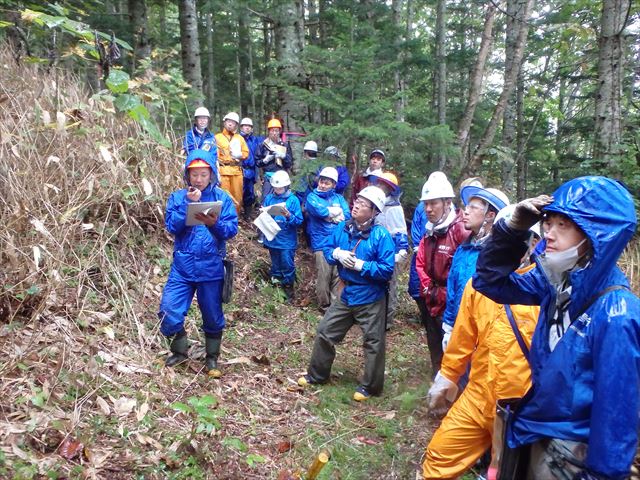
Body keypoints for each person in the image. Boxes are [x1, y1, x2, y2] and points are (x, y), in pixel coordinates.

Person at [472, 176, 640, 480]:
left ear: (596, 234)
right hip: (534, 430)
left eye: (564, 225)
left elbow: (616, 413)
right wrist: (512, 228)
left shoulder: (617, 313)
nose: (548, 233)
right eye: (548, 222)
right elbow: (489, 281)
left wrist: (601, 476)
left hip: (572, 455)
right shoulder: (557, 282)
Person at [422, 205, 540, 480]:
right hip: (478, 394)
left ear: (530, 243)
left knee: (505, 472)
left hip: (519, 407)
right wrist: (448, 377)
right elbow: (463, 338)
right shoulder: (477, 285)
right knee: (439, 456)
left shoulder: (543, 290)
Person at [298, 186, 395, 401]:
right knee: (325, 331)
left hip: (370, 296)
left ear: (374, 211)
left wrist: (362, 265)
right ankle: (317, 375)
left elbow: (387, 269)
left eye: (363, 203)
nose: (357, 204)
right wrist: (337, 253)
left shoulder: (381, 235)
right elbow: (327, 249)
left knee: (373, 342)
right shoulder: (342, 228)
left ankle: (371, 386)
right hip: (345, 292)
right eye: (357, 200)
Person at [158, 149, 238, 378]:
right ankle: (179, 351)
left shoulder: (221, 198)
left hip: (211, 268)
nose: (199, 179)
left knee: (212, 316)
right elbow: (172, 227)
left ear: (211, 174)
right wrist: (187, 205)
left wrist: (213, 223)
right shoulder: (177, 197)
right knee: (168, 310)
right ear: (187, 175)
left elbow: (231, 230)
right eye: (194, 175)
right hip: (182, 267)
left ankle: (212, 357)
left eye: (203, 174)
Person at [415, 172, 471, 373]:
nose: (428, 209)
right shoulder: (430, 229)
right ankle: (437, 383)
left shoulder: (461, 230)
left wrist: (451, 298)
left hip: (452, 302)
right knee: (435, 343)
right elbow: (421, 261)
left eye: (434, 204)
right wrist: (427, 288)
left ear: (447, 203)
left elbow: (468, 271)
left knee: (455, 350)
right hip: (432, 298)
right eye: (426, 204)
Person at [441, 186, 509, 351]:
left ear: (490, 215)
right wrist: (449, 326)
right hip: (460, 331)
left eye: (473, 207)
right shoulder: (464, 248)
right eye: (466, 207)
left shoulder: (501, 255)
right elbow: (453, 288)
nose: (465, 211)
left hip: (486, 339)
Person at [305, 167, 351, 310]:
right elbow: (319, 210)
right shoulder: (312, 197)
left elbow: (347, 216)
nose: (323, 185)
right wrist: (332, 214)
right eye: (322, 182)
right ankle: (324, 305)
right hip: (321, 242)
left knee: (338, 275)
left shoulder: (339, 198)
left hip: (338, 242)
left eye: (327, 183)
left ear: (334, 185)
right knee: (324, 275)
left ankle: (335, 306)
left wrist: (329, 216)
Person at [369, 172, 408, 328]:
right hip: (374, 249)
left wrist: (401, 250)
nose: (381, 187)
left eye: (385, 185)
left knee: (390, 286)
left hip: (390, 251)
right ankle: (371, 316)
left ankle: (387, 320)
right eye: (379, 183)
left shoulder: (395, 208)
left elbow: (401, 231)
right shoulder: (374, 204)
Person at [262, 170, 303, 302]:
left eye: (280, 187)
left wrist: (288, 216)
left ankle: (288, 288)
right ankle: (276, 287)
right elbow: (265, 216)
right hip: (273, 237)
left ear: (286, 186)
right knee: (275, 263)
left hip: (287, 240)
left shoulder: (293, 200)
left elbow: (299, 221)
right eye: (275, 187)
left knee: (287, 263)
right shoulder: (269, 198)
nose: (277, 189)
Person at [214, 112, 249, 214]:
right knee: (224, 196)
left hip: (236, 171)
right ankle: (223, 219)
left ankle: (235, 219)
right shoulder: (217, 137)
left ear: (236, 125)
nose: (230, 124)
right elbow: (214, 154)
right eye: (228, 121)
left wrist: (240, 155)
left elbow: (246, 152)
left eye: (233, 122)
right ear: (224, 122)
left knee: (237, 196)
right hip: (223, 171)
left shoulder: (239, 138)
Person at [255, 118, 293, 199]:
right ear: (269, 131)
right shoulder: (263, 146)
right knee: (266, 198)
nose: (274, 133)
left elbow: (289, 163)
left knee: (283, 199)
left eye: (276, 131)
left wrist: (284, 156)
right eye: (272, 131)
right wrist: (265, 160)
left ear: (279, 131)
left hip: (282, 177)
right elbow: (257, 162)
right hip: (268, 177)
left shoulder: (285, 145)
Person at [239, 117, 264, 220]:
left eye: (249, 126)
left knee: (249, 192)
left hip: (252, 169)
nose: (247, 128)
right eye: (245, 126)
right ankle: (238, 213)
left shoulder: (255, 140)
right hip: (240, 168)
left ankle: (247, 214)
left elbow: (266, 141)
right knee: (240, 190)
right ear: (241, 127)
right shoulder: (237, 138)